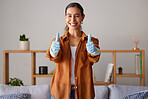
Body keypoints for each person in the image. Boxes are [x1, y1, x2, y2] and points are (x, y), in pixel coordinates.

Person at [46, 2, 101, 99]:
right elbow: (55, 58)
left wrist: (94, 51)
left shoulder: (91, 41)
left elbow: (94, 58)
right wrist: (53, 52)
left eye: (77, 16)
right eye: (69, 16)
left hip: (83, 93)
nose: (73, 20)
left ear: (83, 17)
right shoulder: (58, 41)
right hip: (60, 93)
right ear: (65, 17)